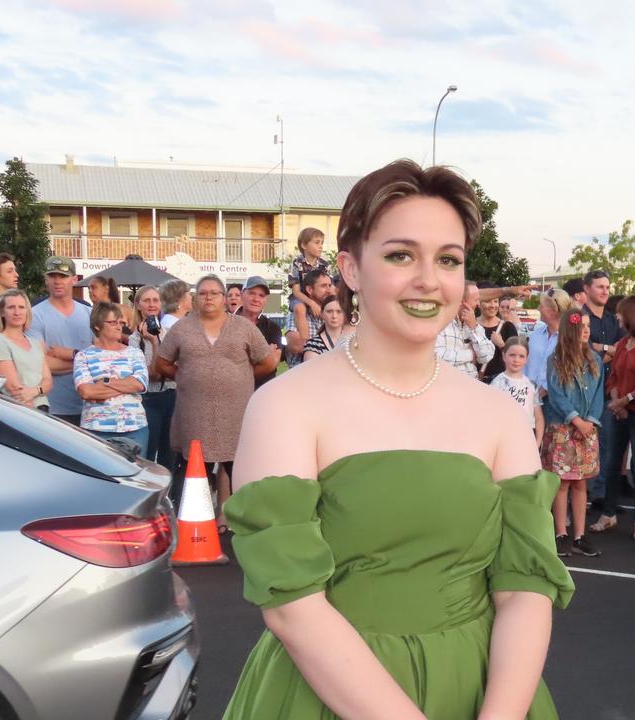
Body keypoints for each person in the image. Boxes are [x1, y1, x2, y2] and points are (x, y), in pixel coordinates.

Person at [223, 160, 573, 719]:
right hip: (327, 694)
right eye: (400, 255)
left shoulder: (496, 413)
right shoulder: (285, 405)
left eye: (448, 260)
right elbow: (294, 606)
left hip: (482, 690)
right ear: (351, 269)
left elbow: (525, 585)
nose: (428, 280)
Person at [156, 274, 275, 511]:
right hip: (194, 413)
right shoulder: (182, 328)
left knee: (237, 466)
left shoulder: (243, 327)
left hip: (234, 412)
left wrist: (242, 378)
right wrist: (186, 376)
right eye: (202, 293)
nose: (208, 297)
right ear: (195, 298)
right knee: (193, 466)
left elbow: (268, 362)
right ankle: (193, 517)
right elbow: (162, 363)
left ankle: (239, 520)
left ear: (224, 298)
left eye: (214, 293)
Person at [542, 308, 604, 558]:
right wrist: (576, 420)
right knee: (562, 484)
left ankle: (580, 535)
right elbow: (556, 395)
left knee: (580, 483)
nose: (587, 330)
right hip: (563, 428)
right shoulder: (556, 359)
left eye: (589, 325)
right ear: (571, 330)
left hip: (587, 429)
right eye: (582, 326)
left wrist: (589, 421)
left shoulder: (595, 360)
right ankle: (560, 533)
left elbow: (599, 393)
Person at [596, 295, 635, 538]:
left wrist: (625, 400)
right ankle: (608, 513)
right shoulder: (622, 344)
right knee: (611, 462)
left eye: (620, 313)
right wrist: (618, 401)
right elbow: (613, 377)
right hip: (619, 412)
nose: (616, 317)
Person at [74, 302, 150, 453]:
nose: (119, 327)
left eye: (120, 322)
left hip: (134, 427)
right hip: (95, 429)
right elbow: (86, 392)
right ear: (97, 325)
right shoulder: (83, 356)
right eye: (113, 322)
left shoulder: (134, 353)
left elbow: (140, 385)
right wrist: (125, 387)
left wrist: (105, 382)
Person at [29, 256, 93, 425]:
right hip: (53, 408)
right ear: (46, 280)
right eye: (52, 276)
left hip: (90, 406)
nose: (57, 281)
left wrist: (69, 355)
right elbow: (40, 364)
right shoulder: (35, 316)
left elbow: (104, 357)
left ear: (74, 279)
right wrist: (85, 363)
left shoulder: (90, 313)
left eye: (63, 276)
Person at [582, 270, 625, 518]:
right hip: (587, 392)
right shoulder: (578, 318)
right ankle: (582, 494)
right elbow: (584, 351)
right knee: (585, 444)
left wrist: (603, 348)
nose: (605, 291)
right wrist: (605, 350)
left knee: (607, 447)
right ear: (587, 289)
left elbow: (620, 351)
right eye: (600, 286)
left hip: (610, 390)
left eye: (607, 287)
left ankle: (601, 496)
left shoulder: (613, 320)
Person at [128, 285, 177, 469]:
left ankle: (169, 495)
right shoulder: (135, 339)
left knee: (169, 454)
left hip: (171, 397)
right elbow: (152, 375)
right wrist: (153, 343)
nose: (151, 304)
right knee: (147, 454)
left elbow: (176, 369)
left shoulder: (168, 333)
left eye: (155, 300)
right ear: (138, 305)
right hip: (149, 399)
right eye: (146, 300)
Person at [0, 289, 52, 410]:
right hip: (19, 410)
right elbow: (13, 388)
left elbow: (48, 381)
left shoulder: (36, 343)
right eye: (11, 307)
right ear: (2, 312)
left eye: (21, 307)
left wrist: (34, 391)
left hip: (43, 408)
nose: (17, 312)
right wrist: (31, 408)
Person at [434, 280, 495, 376]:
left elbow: (487, 356)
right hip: (448, 384)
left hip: (471, 384)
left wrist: (474, 327)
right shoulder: (440, 323)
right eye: (475, 300)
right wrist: (471, 355)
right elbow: (436, 358)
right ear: (462, 301)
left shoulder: (473, 324)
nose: (478, 304)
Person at [491, 336, 544, 442]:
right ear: (504, 356)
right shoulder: (496, 383)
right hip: (504, 436)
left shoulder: (531, 385)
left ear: (526, 359)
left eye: (521, 356)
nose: (516, 360)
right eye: (512, 355)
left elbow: (538, 417)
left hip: (527, 435)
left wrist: (537, 442)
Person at [233, 276, 283, 386]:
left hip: (262, 393)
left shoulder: (273, 328)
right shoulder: (225, 323)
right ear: (241, 295)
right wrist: (262, 359)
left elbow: (272, 364)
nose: (256, 299)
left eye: (261, 295)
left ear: (266, 300)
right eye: (251, 293)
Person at [524, 289, 572, 396]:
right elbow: (526, 365)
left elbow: (567, 372)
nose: (538, 309)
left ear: (553, 311)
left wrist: (545, 390)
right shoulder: (536, 335)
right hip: (527, 396)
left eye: (541, 306)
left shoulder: (569, 339)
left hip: (553, 401)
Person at [286, 269, 335, 366]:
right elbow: (295, 347)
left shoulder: (334, 313)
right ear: (310, 290)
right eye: (324, 286)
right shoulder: (298, 313)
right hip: (303, 375)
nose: (329, 290)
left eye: (329, 285)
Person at [287, 226, 330, 318]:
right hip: (301, 298)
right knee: (300, 308)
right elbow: (296, 292)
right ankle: (302, 332)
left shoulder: (325, 265)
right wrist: (312, 303)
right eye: (317, 242)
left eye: (322, 243)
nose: (321, 246)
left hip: (319, 297)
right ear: (304, 245)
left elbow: (329, 287)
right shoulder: (296, 264)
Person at [477, 291, 518, 384]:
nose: (493, 305)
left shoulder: (508, 327)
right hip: (474, 380)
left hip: (500, 382)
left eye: (495, 301)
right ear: (478, 303)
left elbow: (517, 358)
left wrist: (502, 345)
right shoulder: (471, 325)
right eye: (488, 301)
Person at [302, 295, 355, 360]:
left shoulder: (353, 340)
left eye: (339, 311)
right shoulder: (314, 345)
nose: (334, 316)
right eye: (329, 311)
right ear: (322, 314)